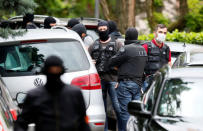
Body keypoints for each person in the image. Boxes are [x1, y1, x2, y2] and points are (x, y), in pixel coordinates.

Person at [14, 56, 90, 131]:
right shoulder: (34, 96)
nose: (54, 74)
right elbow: (21, 123)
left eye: (57, 70)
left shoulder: (74, 93)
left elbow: (83, 122)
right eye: (51, 71)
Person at [108, 27, 147, 131]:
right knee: (136, 114)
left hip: (126, 85)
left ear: (127, 36)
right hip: (138, 85)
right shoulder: (143, 49)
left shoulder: (127, 48)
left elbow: (112, 62)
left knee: (125, 113)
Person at [88, 21, 123, 131]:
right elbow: (87, 60)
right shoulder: (93, 45)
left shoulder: (117, 44)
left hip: (114, 79)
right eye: (100, 29)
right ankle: (105, 129)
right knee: (101, 108)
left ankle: (122, 128)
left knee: (117, 107)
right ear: (98, 30)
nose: (103, 31)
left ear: (108, 29)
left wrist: (120, 79)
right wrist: (90, 62)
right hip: (99, 80)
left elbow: (123, 62)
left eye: (104, 29)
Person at [142, 24, 171, 92]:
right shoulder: (146, 46)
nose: (163, 34)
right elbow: (139, 64)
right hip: (148, 82)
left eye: (165, 33)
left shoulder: (167, 48)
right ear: (154, 33)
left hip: (162, 82)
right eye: (160, 32)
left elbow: (169, 64)